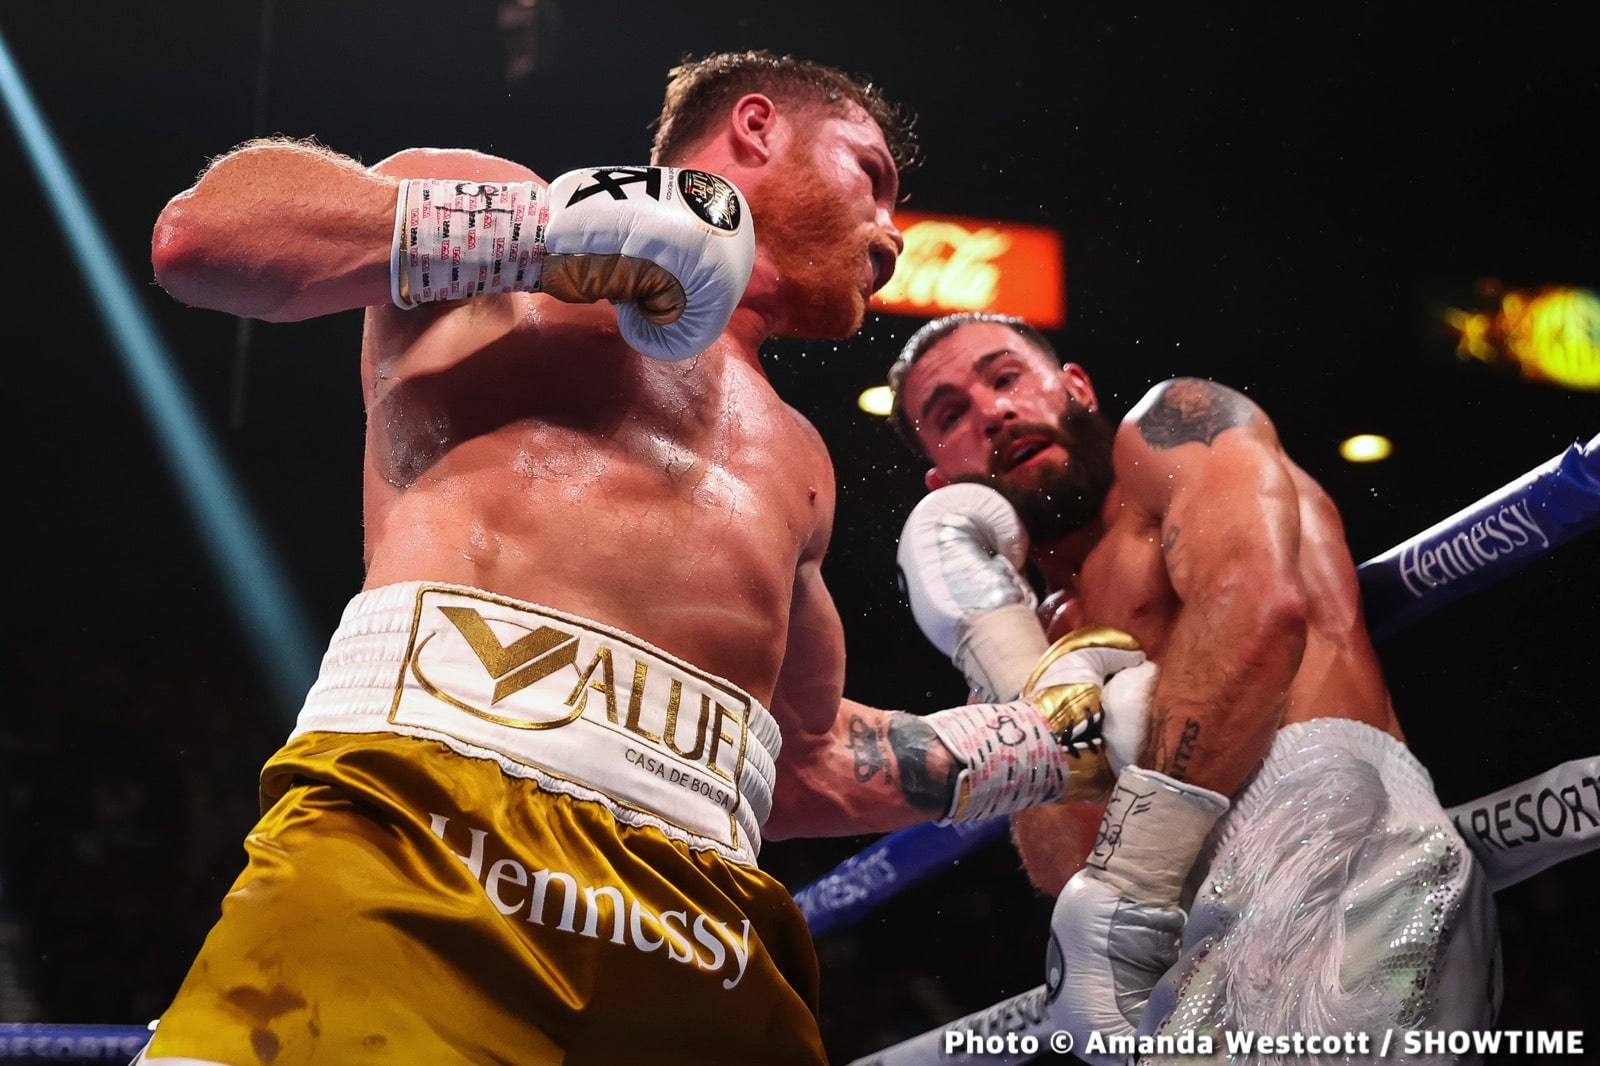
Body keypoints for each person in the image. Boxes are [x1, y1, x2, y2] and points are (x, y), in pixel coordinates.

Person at [139, 53, 1153, 1065]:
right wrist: (555, 239)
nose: (891, 232)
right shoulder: (506, 228)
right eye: (871, 175)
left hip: (699, 921)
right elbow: (209, 235)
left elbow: (801, 761)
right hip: (423, 837)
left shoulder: (801, 462)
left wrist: (1035, 748)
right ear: (756, 130)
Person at [888, 312, 1502, 1061]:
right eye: (951, 414)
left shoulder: (1173, 434)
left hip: (1339, 856)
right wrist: (998, 646)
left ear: (1074, 386)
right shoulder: (1039, 636)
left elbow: (1259, 610)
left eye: (1006, 376)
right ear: (941, 482)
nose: (993, 411)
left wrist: (1134, 871)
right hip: (1191, 949)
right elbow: (1063, 867)